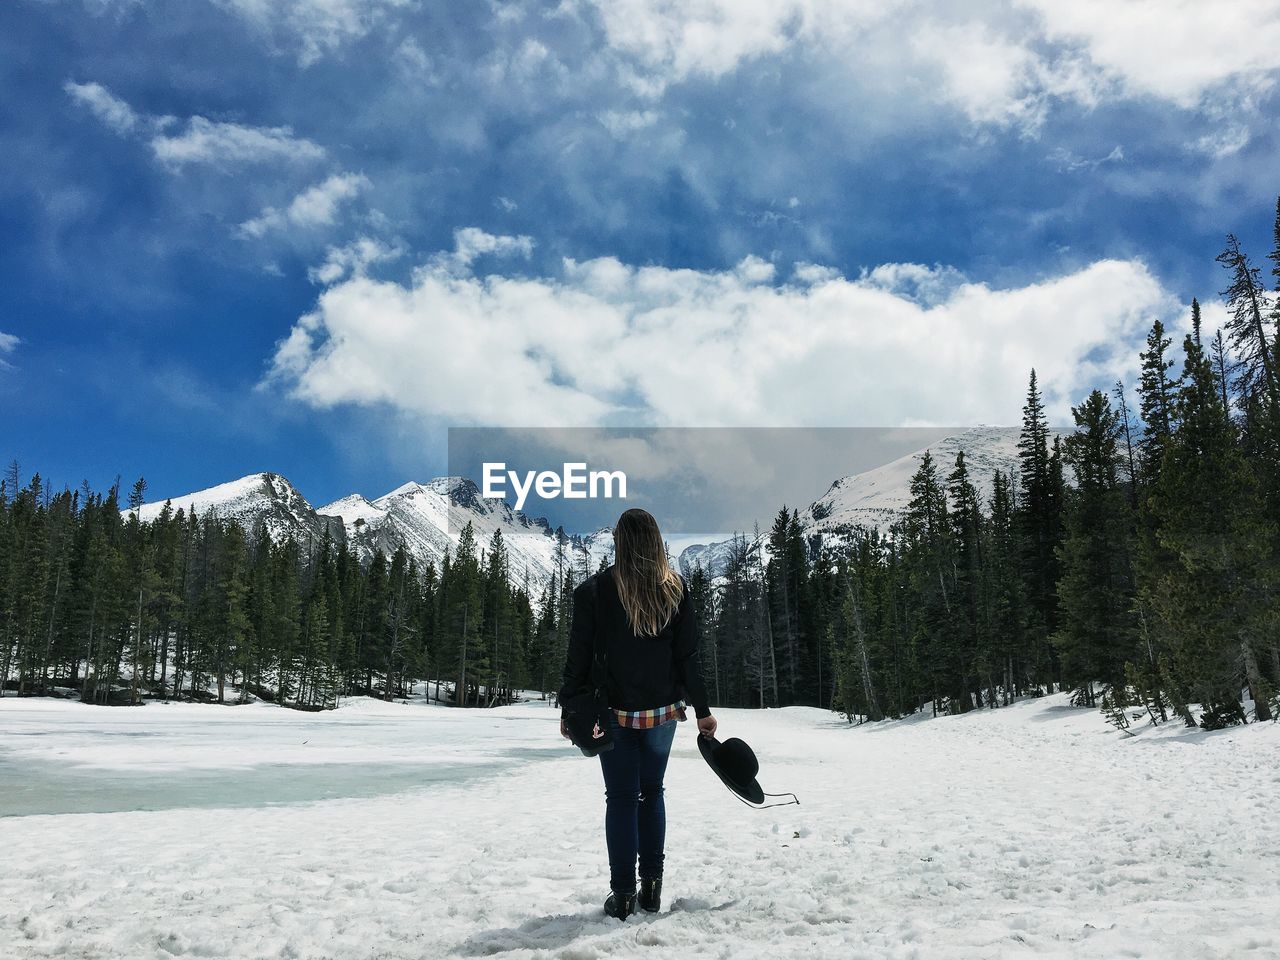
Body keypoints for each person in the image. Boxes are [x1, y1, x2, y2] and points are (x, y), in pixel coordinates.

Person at [558, 508, 717, 921]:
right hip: (663, 715)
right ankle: (652, 889)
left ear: (619, 543)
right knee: (652, 793)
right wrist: (702, 711)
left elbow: (577, 658)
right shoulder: (675, 590)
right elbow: (688, 658)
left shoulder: (595, 591)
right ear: (655, 540)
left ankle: (624, 894)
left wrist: (568, 706)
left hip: (612, 713)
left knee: (623, 798)